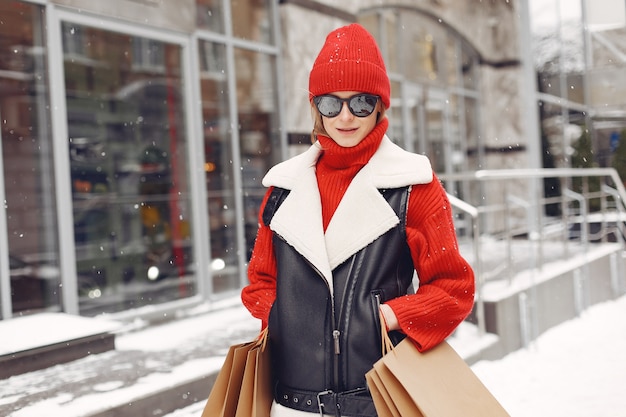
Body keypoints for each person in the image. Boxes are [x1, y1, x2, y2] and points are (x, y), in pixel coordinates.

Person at [241, 23, 475, 417]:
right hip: (292, 402)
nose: (345, 116)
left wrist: (385, 316)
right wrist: (287, 315)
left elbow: (454, 289)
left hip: (380, 399)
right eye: (331, 103)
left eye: (361, 102)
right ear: (316, 106)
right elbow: (260, 281)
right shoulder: (283, 186)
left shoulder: (412, 183)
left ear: (380, 105)